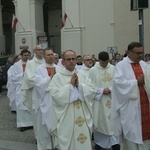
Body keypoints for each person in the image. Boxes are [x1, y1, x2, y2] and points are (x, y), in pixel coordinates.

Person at [49, 50, 98, 150]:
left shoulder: (83, 74)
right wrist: (70, 86)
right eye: (68, 59)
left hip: (83, 113)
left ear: (76, 60)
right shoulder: (57, 77)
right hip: (67, 115)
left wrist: (79, 86)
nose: (71, 61)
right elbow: (55, 95)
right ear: (63, 62)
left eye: (73, 59)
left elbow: (92, 90)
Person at [111, 42, 150, 150]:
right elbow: (117, 83)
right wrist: (136, 82)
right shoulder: (121, 66)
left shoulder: (143, 64)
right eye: (137, 53)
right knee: (132, 133)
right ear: (128, 52)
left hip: (145, 103)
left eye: (141, 53)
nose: (140, 55)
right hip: (130, 107)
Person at [88, 51, 120, 150]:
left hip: (112, 98)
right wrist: (101, 90)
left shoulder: (113, 68)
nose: (105, 64)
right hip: (99, 100)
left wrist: (110, 89)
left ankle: (115, 143)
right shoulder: (93, 70)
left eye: (106, 62)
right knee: (101, 121)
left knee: (113, 122)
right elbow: (89, 86)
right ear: (99, 60)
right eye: (103, 63)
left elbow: (118, 82)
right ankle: (100, 144)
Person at [34, 48, 59, 150]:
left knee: (57, 123)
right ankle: (45, 146)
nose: (50, 56)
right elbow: (38, 83)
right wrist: (50, 78)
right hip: (45, 100)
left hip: (56, 99)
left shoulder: (59, 68)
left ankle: (57, 145)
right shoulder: (39, 69)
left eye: (52, 54)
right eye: (48, 55)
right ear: (44, 56)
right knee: (44, 126)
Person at [22, 45, 44, 149]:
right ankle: (38, 137)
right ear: (34, 51)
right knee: (37, 118)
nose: (40, 51)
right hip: (35, 94)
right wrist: (44, 81)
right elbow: (29, 79)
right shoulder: (30, 64)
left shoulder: (46, 62)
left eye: (41, 50)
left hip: (47, 94)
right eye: (38, 50)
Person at [11, 49, 33, 132]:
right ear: (21, 55)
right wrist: (23, 74)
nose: (26, 56)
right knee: (21, 106)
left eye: (27, 55)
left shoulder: (31, 64)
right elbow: (13, 77)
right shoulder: (16, 65)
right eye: (25, 55)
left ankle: (31, 123)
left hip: (29, 87)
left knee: (29, 105)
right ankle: (22, 124)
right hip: (20, 88)